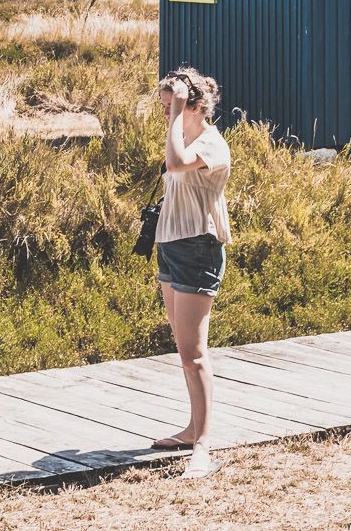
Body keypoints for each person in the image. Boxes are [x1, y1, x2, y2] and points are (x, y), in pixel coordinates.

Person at [151, 66, 231, 479]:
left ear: (196, 105)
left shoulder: (213, 144)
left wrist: (179, 111)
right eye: (165, 107)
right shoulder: (182, 136)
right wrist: (176, 116)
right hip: (171, 247)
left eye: (174, 106)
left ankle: (203, 445)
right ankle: (190, 429)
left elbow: (176, 163)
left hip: (199, 248)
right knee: (183, 349)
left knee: (194, 351)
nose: (167, 115)